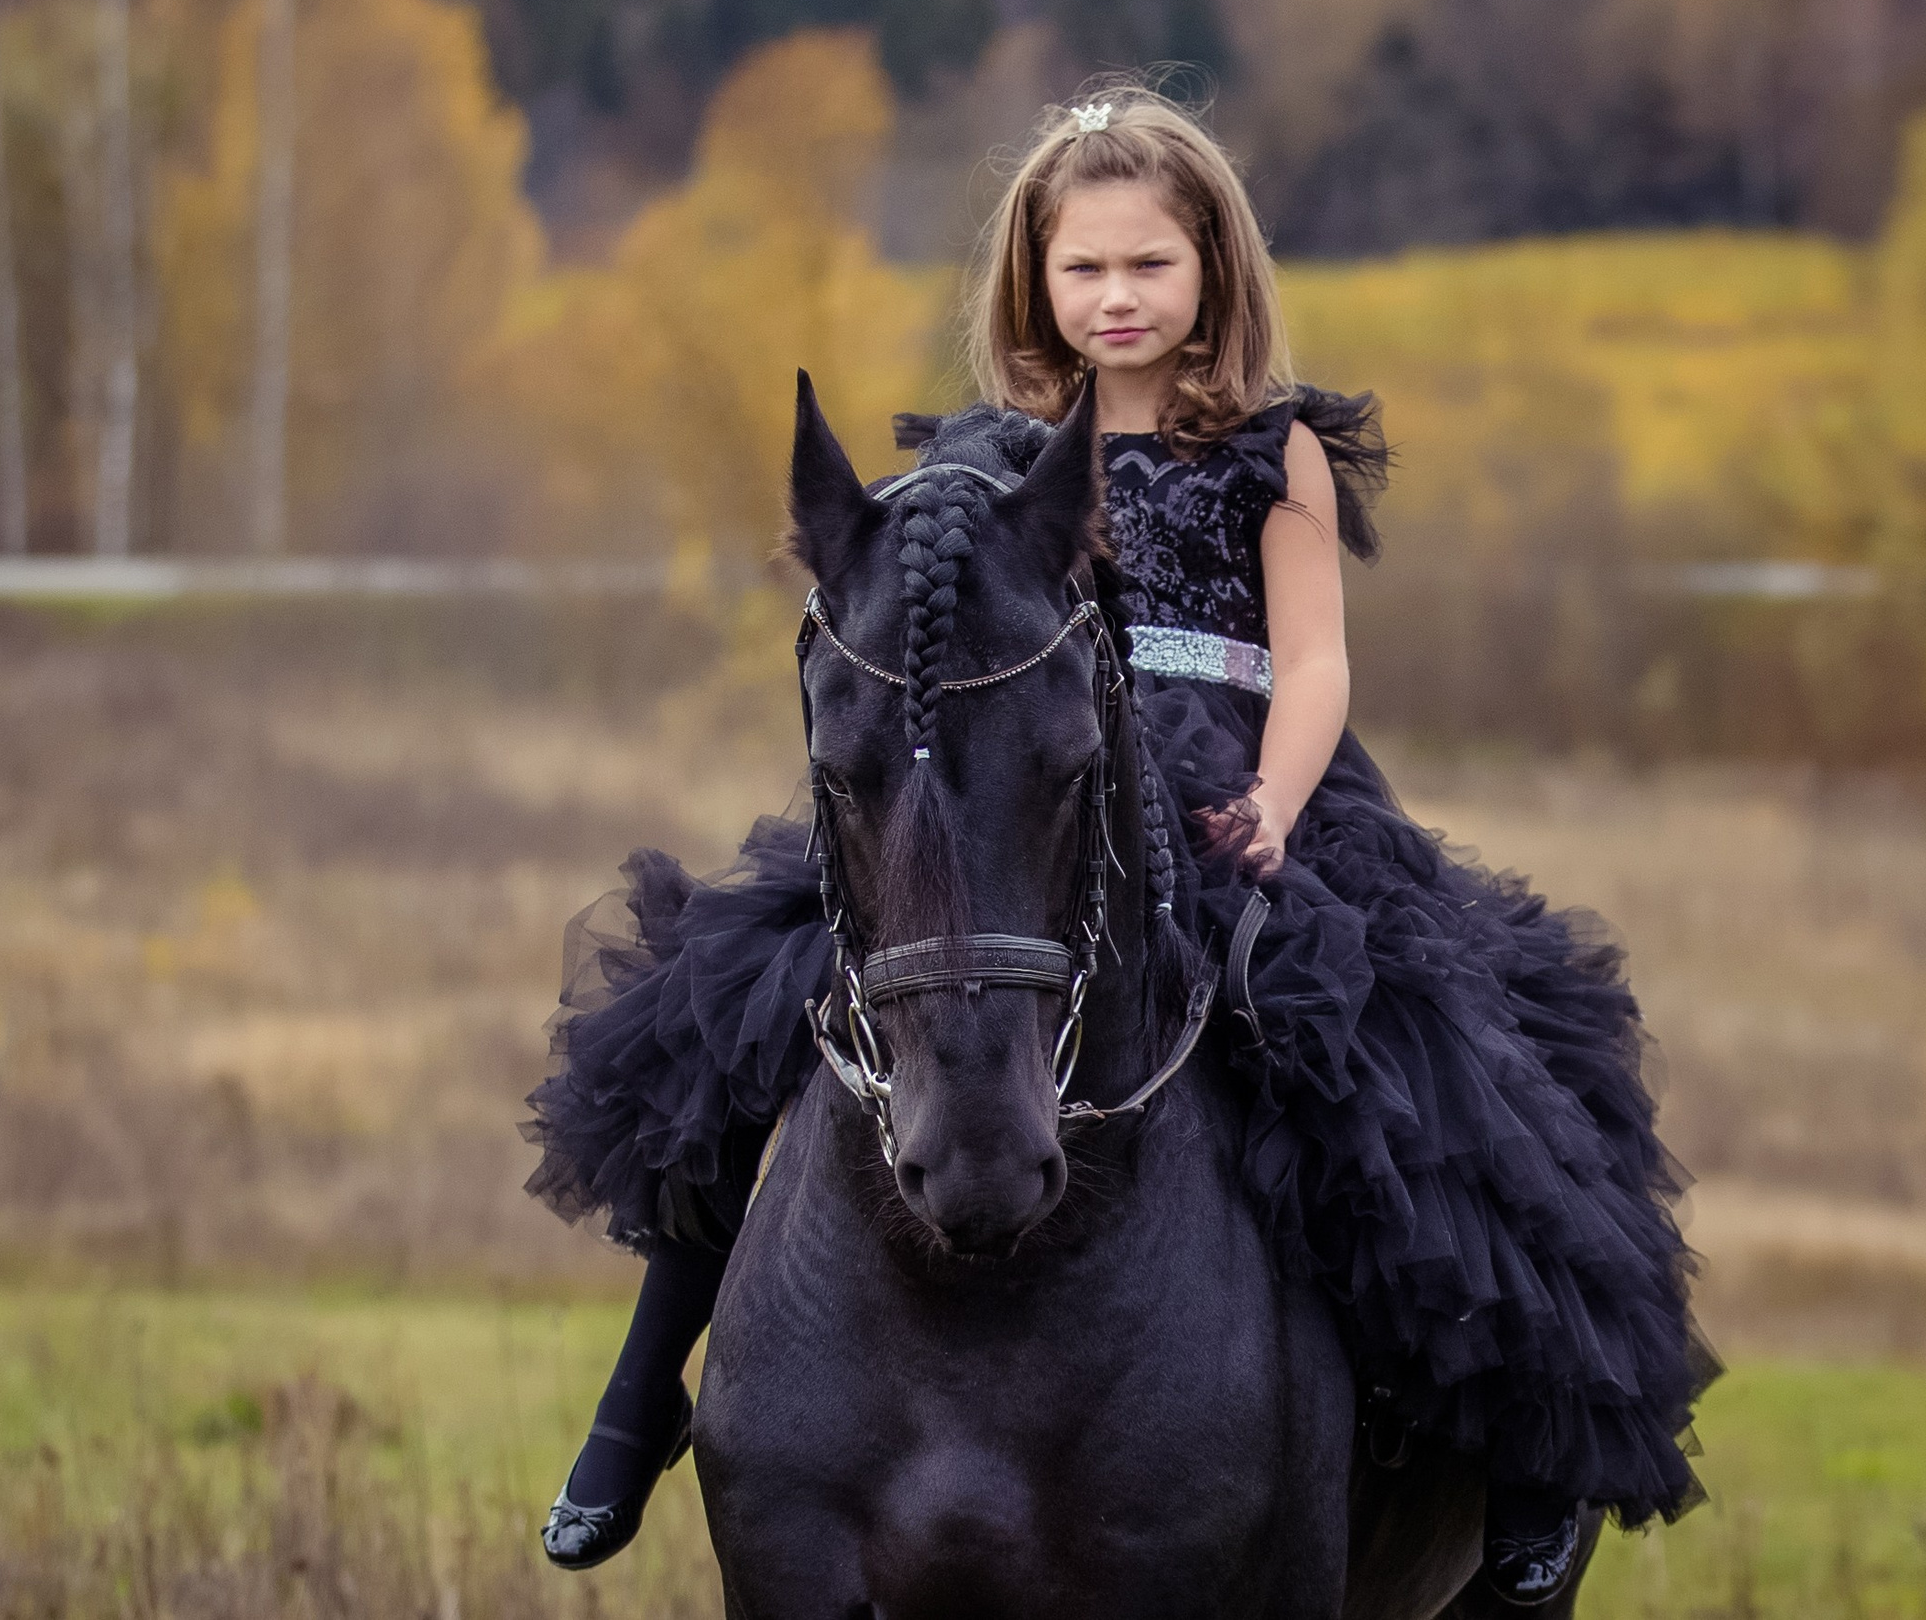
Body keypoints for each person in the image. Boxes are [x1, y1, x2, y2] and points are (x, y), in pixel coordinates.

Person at [524, 87, 1714, 1605]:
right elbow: (898, 623)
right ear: (1036, 282)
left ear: (1215, 267)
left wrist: (1276, 804)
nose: (1116, 299)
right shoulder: (984, 458)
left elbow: (1321, 666)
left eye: (1149, 266)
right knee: (738, 1017)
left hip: (1235, 791)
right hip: (1024, 793)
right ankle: (640, 1406)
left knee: (1438, 1066)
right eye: (1083, 270)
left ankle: (1531, 1452)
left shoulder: (1269, 455)